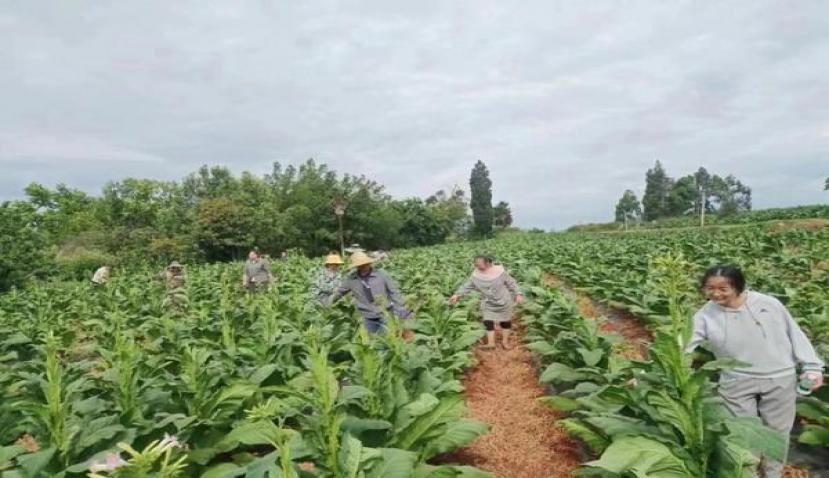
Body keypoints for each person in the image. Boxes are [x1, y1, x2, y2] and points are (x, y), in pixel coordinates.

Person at [686, 265, 824, 478]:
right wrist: (651, 372)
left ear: (739, 286)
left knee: (777, 434)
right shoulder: (705, 315)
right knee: (742, 432)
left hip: (779, 377)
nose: (715, 293)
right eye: (709, 288)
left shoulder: (769, 304)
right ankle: (747, 473)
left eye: (723, 288)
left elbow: (795, 334)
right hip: (736, 380)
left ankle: (773, 474)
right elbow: (682, 343)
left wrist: (812, 366)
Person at [449, 255, 524, 350]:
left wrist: (518, 294)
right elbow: (467, 286)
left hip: (504, 301)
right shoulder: (476, 275)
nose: (477, 267)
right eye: (476, 265)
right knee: (488, 321)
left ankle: (505, 342)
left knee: (505, 322)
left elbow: (511, 283)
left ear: (488, 263)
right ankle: (491, 343)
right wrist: (457, 295)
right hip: (488, 302)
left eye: (480, 264)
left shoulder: (500, 272)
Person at [326, 251, 411, 334]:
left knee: (389, 340)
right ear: (357, 266)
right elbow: (339, 292)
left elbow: (394, 292)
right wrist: (326, 304)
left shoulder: (381, 274)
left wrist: (401, 311)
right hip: (367, 318)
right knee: (372, 344)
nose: (364, 266)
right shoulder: (351, 279)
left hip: (386, 315)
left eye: (366, 264)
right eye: (361, 265)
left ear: (369, 263)